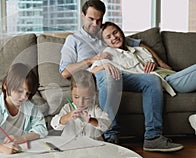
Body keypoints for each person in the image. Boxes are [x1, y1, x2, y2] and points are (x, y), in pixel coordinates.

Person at [59, 0, 183, 152]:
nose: (95, 23)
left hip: (122, 73)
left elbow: (138, 44)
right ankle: (110, 135)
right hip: (95, 76)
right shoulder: (74, 40)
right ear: (83, 15)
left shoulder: (106, 33)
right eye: (91, 19)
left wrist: (161, 63)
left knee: (152, 80)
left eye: (99, 20)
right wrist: (93, 60)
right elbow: (65, 72)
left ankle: (153, 137)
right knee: (108, 75)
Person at [99, 21, 196, 95]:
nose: (114, 37)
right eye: (108, 37)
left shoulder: (139, 50)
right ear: (105, 42)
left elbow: (141, 47)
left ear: (121, 32)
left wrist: (156, 63)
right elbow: (94, 70)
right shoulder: (109, 55)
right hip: (166, 81)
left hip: (171, 74)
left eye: (115, 32)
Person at [51, 70, 111, 140]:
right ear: (71, 91)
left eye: (86, 98)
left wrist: (91, 120)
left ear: (93, 95)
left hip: (91, 147)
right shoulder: (67, 108)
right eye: (76, 97)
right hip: (71, 146)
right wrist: (67, 116)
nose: (81, 102)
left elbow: (107, 125)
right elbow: (54, 124)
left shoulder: (95, 109)